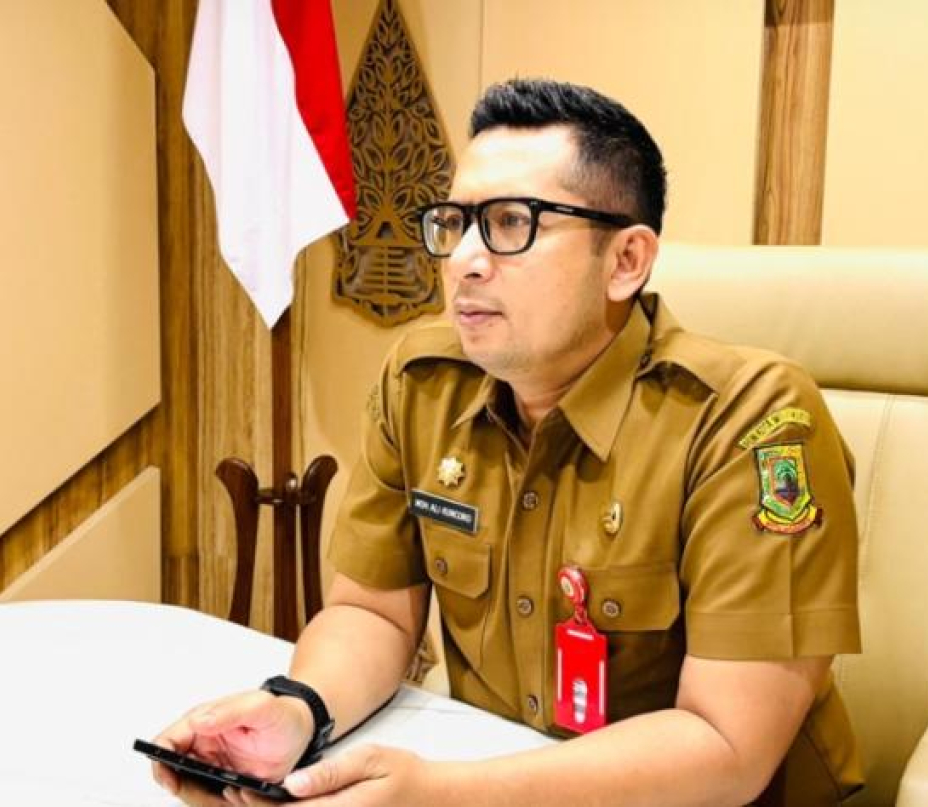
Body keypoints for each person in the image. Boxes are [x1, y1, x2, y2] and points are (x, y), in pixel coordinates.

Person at [151, 78, 862, 806]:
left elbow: (727, 747)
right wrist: (300, 709)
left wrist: (443, 796)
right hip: (494, 777)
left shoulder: (748, 420)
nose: (464, 258)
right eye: (455, 222)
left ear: (625, 261)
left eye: (511, 223)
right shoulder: (423, 383)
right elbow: (373, 612)